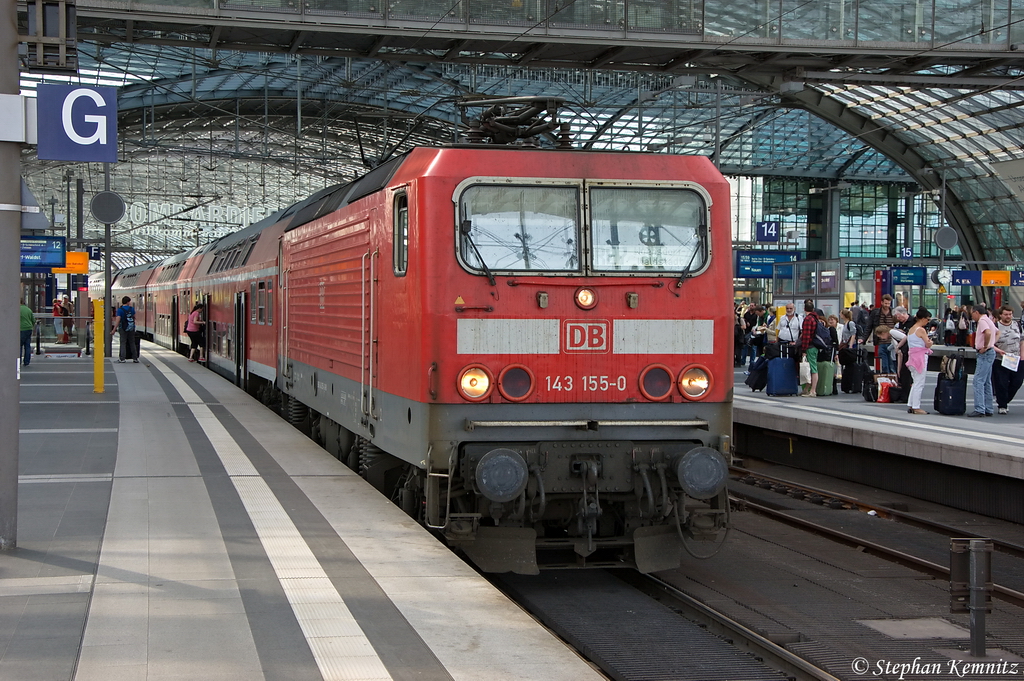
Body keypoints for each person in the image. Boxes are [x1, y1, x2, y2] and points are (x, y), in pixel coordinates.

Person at [901, 308, 934, 415]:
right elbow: (927, 344)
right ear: (923, 318)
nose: (928, 322)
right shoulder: (921, 330)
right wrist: (931, 342)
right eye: (927, 319)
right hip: (920, 358)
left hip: (912, 358)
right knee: (919, 383)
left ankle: (911, 404)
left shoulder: (911, 329)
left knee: (915, 382)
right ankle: (916, 407)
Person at [968, 303, 997, 417]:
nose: (972, 317)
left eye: (972, 314)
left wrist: (985, 346)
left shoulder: (982, 321)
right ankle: (988, 408)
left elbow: (988, 332)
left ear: (976, 312)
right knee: (987, 381)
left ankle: (980, 408)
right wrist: (992, 344)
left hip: (984, 353)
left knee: (978, 380)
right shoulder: (989, 320)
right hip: (991, 352)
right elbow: (997, 332)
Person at [993, 304, 1023, 415]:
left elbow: (1022, 340)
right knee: (1001, 383)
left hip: (1016, 358)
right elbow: (991, 343)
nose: (1008, 316)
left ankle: (1005, 399)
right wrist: (998, 350)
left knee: (1017, 381)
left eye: (1010, 314)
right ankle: (1002, 405)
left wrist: (1022, 356)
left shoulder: (1017, 324)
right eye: (1006, 314)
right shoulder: (996, 326)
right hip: (1001, 359)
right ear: (1000, 315)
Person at [869, 294, 897, 372]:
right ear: (882, 302)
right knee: (884, 365)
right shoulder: (876, 312)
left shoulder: (893, 313)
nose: (887, 305)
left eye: (888, 303)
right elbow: (869, 326)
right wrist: (864, 338)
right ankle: (886, 381)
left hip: (892, 342)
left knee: (892, 365)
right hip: (881, 342)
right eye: (885, 303)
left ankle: (893, 381)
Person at [798, 301, 820, 397]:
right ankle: (807, 389)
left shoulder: (808, 319)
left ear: (804, 309)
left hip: (809, 347)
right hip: (814, 346)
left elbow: (806, 336)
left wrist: (803, 350)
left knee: (812, 369)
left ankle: (813, 391)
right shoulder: (815, 318)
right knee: (809, 368)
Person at [111, 295, 139, 363]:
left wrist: (114, 329)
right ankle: (135, 358)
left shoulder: (120, 310)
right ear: (128, 302)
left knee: (123, 343)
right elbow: (134, 317)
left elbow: (118, 320)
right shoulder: (131, 309)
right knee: (132, 343)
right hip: (131, 328)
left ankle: (122, 358)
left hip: (123, 328)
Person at [20, 301, 35, 366]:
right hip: (29, 328)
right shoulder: (28, 310)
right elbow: (33, 320)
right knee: (27, 346)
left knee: (19, 346)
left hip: (21, 328)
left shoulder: (17, 309)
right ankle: (26, 361)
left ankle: (19, 360)